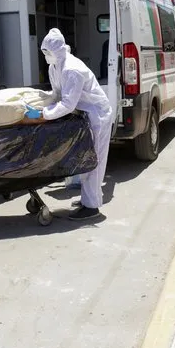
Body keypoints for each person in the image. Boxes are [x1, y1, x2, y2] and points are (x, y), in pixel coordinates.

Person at [29, 28, 112, 221]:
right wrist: (40, 100)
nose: (45, 56)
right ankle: (87, 199)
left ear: (57, 50)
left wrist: (42, 114)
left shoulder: (72, 69)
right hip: (83, 116)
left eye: (47, 52)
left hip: (96, 115)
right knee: (85, 158)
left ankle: (92, 208)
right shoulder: (55, 67)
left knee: (94, 161)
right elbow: (57, 94)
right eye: (43, 52)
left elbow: (67, 103)